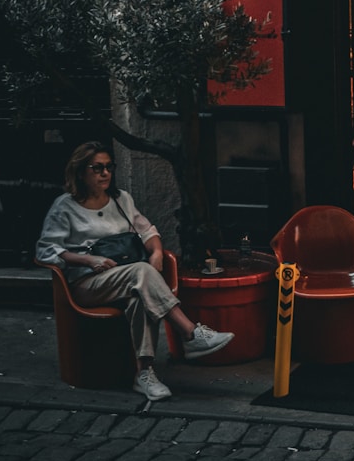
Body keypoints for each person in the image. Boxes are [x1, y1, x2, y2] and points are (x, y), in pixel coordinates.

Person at [35, 141, 235, 401]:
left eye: (109, 167)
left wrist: (156, 253)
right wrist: (87, 260)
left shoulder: (121, 199)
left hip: (127, 278)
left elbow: (147, 230)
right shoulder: (65, 207)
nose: (105, 173)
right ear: (81, 172)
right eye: (97, 168)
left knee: (139, 297)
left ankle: (144, 374)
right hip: (86, 284)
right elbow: (45, 250)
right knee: (140, 273)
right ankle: (190, 333)